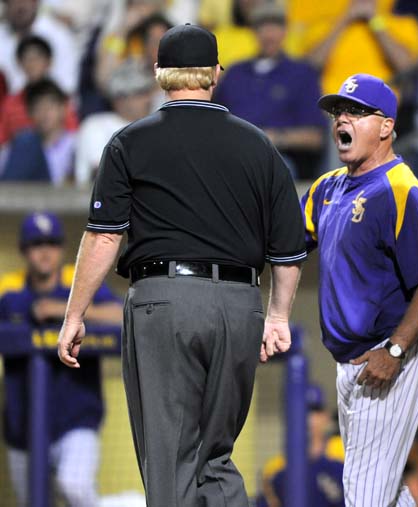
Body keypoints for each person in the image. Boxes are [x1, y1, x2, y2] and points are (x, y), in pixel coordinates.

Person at [56, 23, 306, 507]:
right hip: (239, 303)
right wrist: (277, 316)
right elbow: (288, 249)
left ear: (158, 75)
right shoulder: (258, 144)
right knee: (218, 458)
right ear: (216, 73)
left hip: (164, 301)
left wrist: (75, 314)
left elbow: (104, 237)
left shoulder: (131, 140)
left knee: (170, 459)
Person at [301, 73, 418, 506]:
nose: (342, 119)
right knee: (381, 490)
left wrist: (397, 351)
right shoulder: (326, 187)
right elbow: (284, 245)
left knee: (364, 495)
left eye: (356, 112)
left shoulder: (403, 192)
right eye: (338, 112)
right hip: (351, 361)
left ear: (386, 126)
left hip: (392, 353)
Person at [0, 211, 123, 507]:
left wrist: (68, 310)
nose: (45, 251)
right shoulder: (9, 290)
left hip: (76, 421)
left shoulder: (77, 282)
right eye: (36, 243)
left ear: (61, 248)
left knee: (75, 486)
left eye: (52, 243)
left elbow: (121, 316)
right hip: (22, 429)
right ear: (23, 250)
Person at [213, 3, 325, 179]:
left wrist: (274, 138)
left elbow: (315, 137)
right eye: (262, 28)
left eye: (275, 27)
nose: (269, 35)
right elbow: (214, 120)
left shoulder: (301, 74)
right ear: (254, 32)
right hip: (231, 154)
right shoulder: (236, 73)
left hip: (278, 157)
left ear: (285, 32)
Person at [257, 384, 345, 507]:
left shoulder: (343, 449)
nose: (306, 417)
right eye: (299, 411)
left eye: (313, 411)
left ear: (325, 416)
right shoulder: (275, 468)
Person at [75, 59, 154, 185]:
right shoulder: (95, 125)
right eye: (140, 93)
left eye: (148, 92)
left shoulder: (154, 126)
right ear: (120, 99)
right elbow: (101, 172)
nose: (148, 100)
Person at [0, 35, 78, 146]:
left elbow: (72, 133)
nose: (32, 64)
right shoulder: (9, 104)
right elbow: (2, 139)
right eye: (27, 59)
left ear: (49, 62)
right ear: (19, 63)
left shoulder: (61, 99)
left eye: (37, 58)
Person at [1, 78, 76, 184]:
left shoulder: (75, 143)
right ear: (30, 114)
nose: (44, 113)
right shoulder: (19, 146)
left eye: (49, 106)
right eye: (38, 108)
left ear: (63, 108)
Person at [0, 0, 80, 94]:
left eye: (25, 1)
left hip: (50, 103)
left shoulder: (58, 34)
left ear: (36, 2)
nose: (20, 6)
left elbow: (67, 87)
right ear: (5, 4)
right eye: (14, 1)